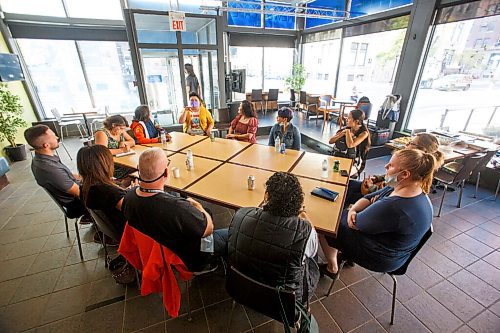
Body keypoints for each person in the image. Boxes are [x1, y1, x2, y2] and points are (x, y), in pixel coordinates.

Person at [319, 149, 436, 278]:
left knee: (327, 222)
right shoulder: (408, 187)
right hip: (391, 247)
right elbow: (369, 197)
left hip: (380, 257)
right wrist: (352, 210)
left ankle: (332, 268)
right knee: (346, 207)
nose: (385, 167)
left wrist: (354, 212)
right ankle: (345, 254)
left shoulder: (395, 206)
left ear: (405, 174)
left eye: (390, 165)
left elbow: (355, 223)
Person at [122, 148, 228, 272]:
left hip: (161, 250)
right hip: (193, 256)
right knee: (232, 232)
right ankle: (206, 265)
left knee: (205, 213)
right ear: (166, 173)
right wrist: (198, 206)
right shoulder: (177, 208)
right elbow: (208, 229)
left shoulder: (128, 197)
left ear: (138, 170)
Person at [228, 172, 319, 304]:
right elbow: (313, 248)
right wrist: (303, 214)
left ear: (266, 196)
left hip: (242, 289)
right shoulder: (306, 232)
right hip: (282, 303)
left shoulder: (241, 215)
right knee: (310, 254)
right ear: (298, 202)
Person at [344, 132, 445, 207]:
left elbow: (389, 193)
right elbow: (391, 182)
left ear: (422, 150)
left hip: (381, 200)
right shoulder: (410, 164)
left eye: (411, 143)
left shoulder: (413, 171)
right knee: (351, 185)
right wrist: (377, 178)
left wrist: (371, 189)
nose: (407, 144)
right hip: (381, 193)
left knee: (349, 193)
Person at [24, 125, 91, 223]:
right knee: (115, 195)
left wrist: (91, 177)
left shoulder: (43, 158)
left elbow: (68, 175)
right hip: (77, 204)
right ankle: (104, 226)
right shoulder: (49, 169)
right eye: (53, 136)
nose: (57, 138)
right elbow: (80, 193)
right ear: (46, 145)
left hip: (77, 195)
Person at [77, 145, 133, 239]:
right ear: (105, 164)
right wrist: (134, 193)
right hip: (128, 232)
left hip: (113, 230)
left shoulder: (85, 187)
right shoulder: (110, 193)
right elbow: (134, 211)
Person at [94, 115, 136, 180]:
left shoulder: (120, 131)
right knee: (137, 169)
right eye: (121, 128)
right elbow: (102, 152)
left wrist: (124, 143)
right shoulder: (101, 133)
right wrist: (122, 150)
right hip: (110, 165)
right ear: (113, 125)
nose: (123, 131)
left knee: (139, 168)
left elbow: (132, 141)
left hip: (123, 160)